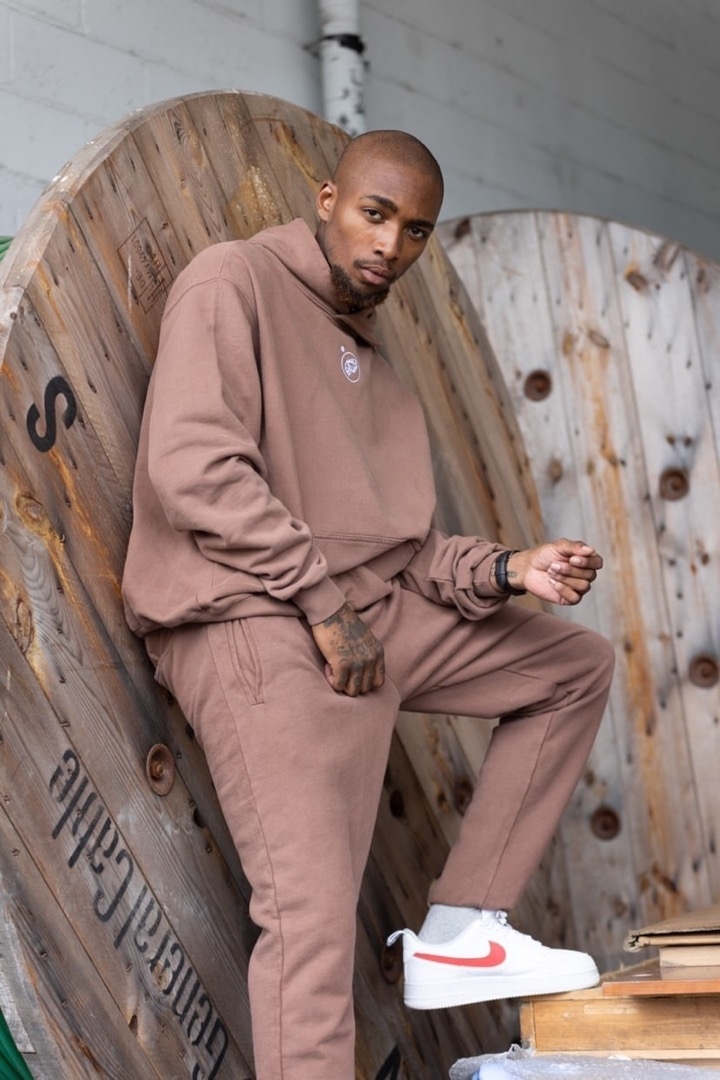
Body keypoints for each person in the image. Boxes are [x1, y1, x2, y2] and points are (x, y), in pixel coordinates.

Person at [122, 129, 615, 1079]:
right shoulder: (232, 281)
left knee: (571, 666)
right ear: (327, 200)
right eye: (374, 214)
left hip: (361, 615)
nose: (391, 244)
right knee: (309, 924)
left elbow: (405, 553)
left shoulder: (379, 374)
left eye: (415, 230)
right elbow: (196, 468)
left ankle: (463, 930)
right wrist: (319, 602)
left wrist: (510, 571)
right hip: (251, 619)